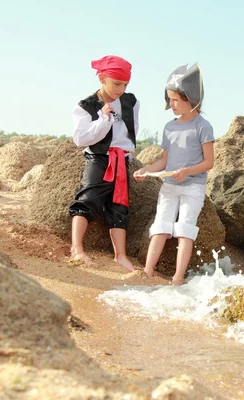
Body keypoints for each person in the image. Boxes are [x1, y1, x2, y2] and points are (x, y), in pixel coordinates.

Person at [133, 63, 215, 285]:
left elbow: (209, 162)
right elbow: (164, 161)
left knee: (185, 229)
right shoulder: (169, 127)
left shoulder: (203, 127)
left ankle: (178, 277)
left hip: (193, 187)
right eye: (169, 99)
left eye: (176, 100)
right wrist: (146, 169)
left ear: (192, 98)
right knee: (160, 225)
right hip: (169, 187)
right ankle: (147, 271)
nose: (171, 104)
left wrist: (187, 171)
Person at [68, 55, 138, 272]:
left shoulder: (131, 101)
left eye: (125, 84)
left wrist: (129, 153)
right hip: (98, 158)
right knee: (87, 199)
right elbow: (81, 139)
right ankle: (76, 248)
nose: (121, 88)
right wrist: (103, 120)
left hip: (121, 160)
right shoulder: (86, 106)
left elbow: (130, 130)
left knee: (120, 206)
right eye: (117, 83)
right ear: (101, 78)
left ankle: (120, 256)